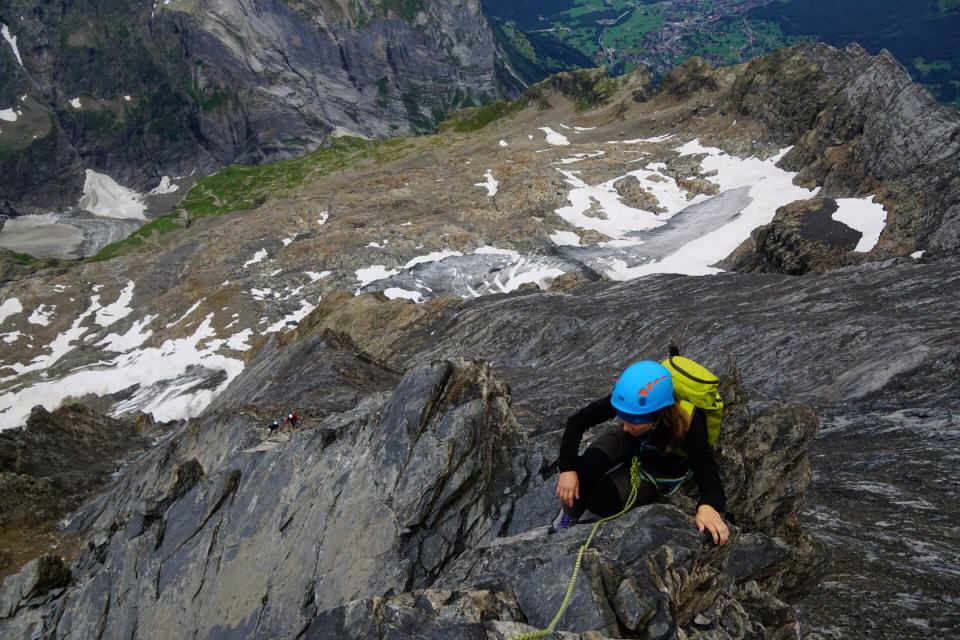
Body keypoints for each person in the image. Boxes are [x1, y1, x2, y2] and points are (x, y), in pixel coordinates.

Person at [552, 360, 729, 545]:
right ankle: (571, 510)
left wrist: (708, 506)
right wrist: (568, 469)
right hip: (635, 444)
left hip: (660, 469)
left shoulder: (690, 424)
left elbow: (709, 479)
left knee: (599, 501)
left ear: (657, 414)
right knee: (585, 469)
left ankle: (603, 491)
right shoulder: (632, 400)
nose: (626, 426)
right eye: (623, 417)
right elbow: (577, 422)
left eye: (633, 421)